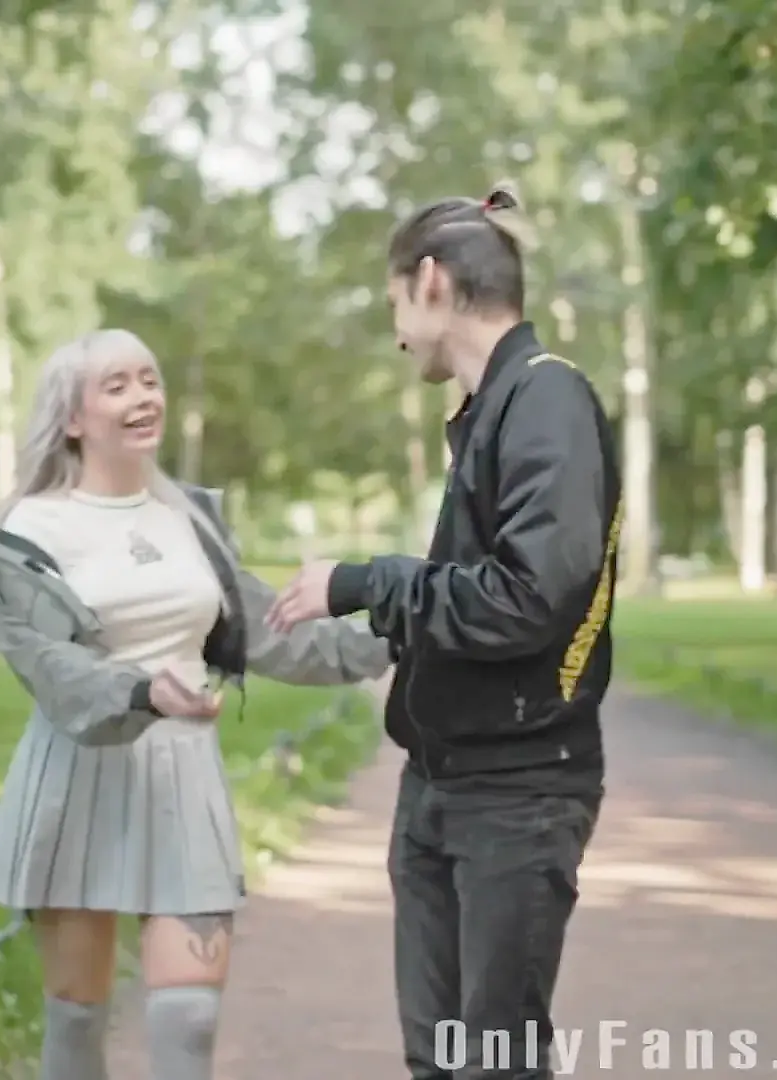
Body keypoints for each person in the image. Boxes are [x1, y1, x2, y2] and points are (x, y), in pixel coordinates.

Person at [266, 182, 622, 1080]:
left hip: (518, 795)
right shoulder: (489, 411)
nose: (396, 334)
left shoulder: (548, 401)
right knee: (439, 1060)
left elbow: (525, 599)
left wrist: (363, 582)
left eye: (393, 303)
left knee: (494, 1063)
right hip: (439, 785)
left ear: (430, 283)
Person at [0, 329, 392, 1080]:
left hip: (183, 779)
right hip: (77, 776)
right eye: (117, 386)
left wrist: (405, 636)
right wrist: (141, 690)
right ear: (73, 417)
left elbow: (272, 633)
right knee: (76, 1023)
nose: (143, 398)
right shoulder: (29, 532)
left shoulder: (188, 517)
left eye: (149, 379)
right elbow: (51, 669)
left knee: (189, 1019)